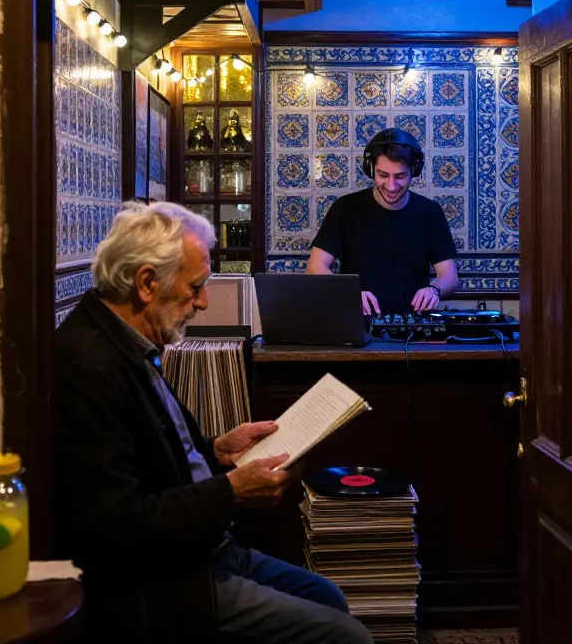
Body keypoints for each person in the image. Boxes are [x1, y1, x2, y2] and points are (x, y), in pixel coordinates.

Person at [52, 200, 374, 644]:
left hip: (207, 547)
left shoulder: (127, 340)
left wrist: (217, 449)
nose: (203, 302)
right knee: (347, 637)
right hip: (166, 578)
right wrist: (234, 490)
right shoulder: (87, 364)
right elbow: (115, 526)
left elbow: (154, 454)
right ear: (147, 283)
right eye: (196, 286)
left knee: (329, 598)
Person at [307, 128, 459, 315]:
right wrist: (349, 293)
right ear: (371, 170)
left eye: (400, 176)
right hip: (357, 324)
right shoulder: (345, 208)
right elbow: (315, 267)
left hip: (413, 329)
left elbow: (450, 276)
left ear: (414, 171)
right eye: (383, 175)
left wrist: (434, 289)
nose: (391, 186)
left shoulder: (430, 212)